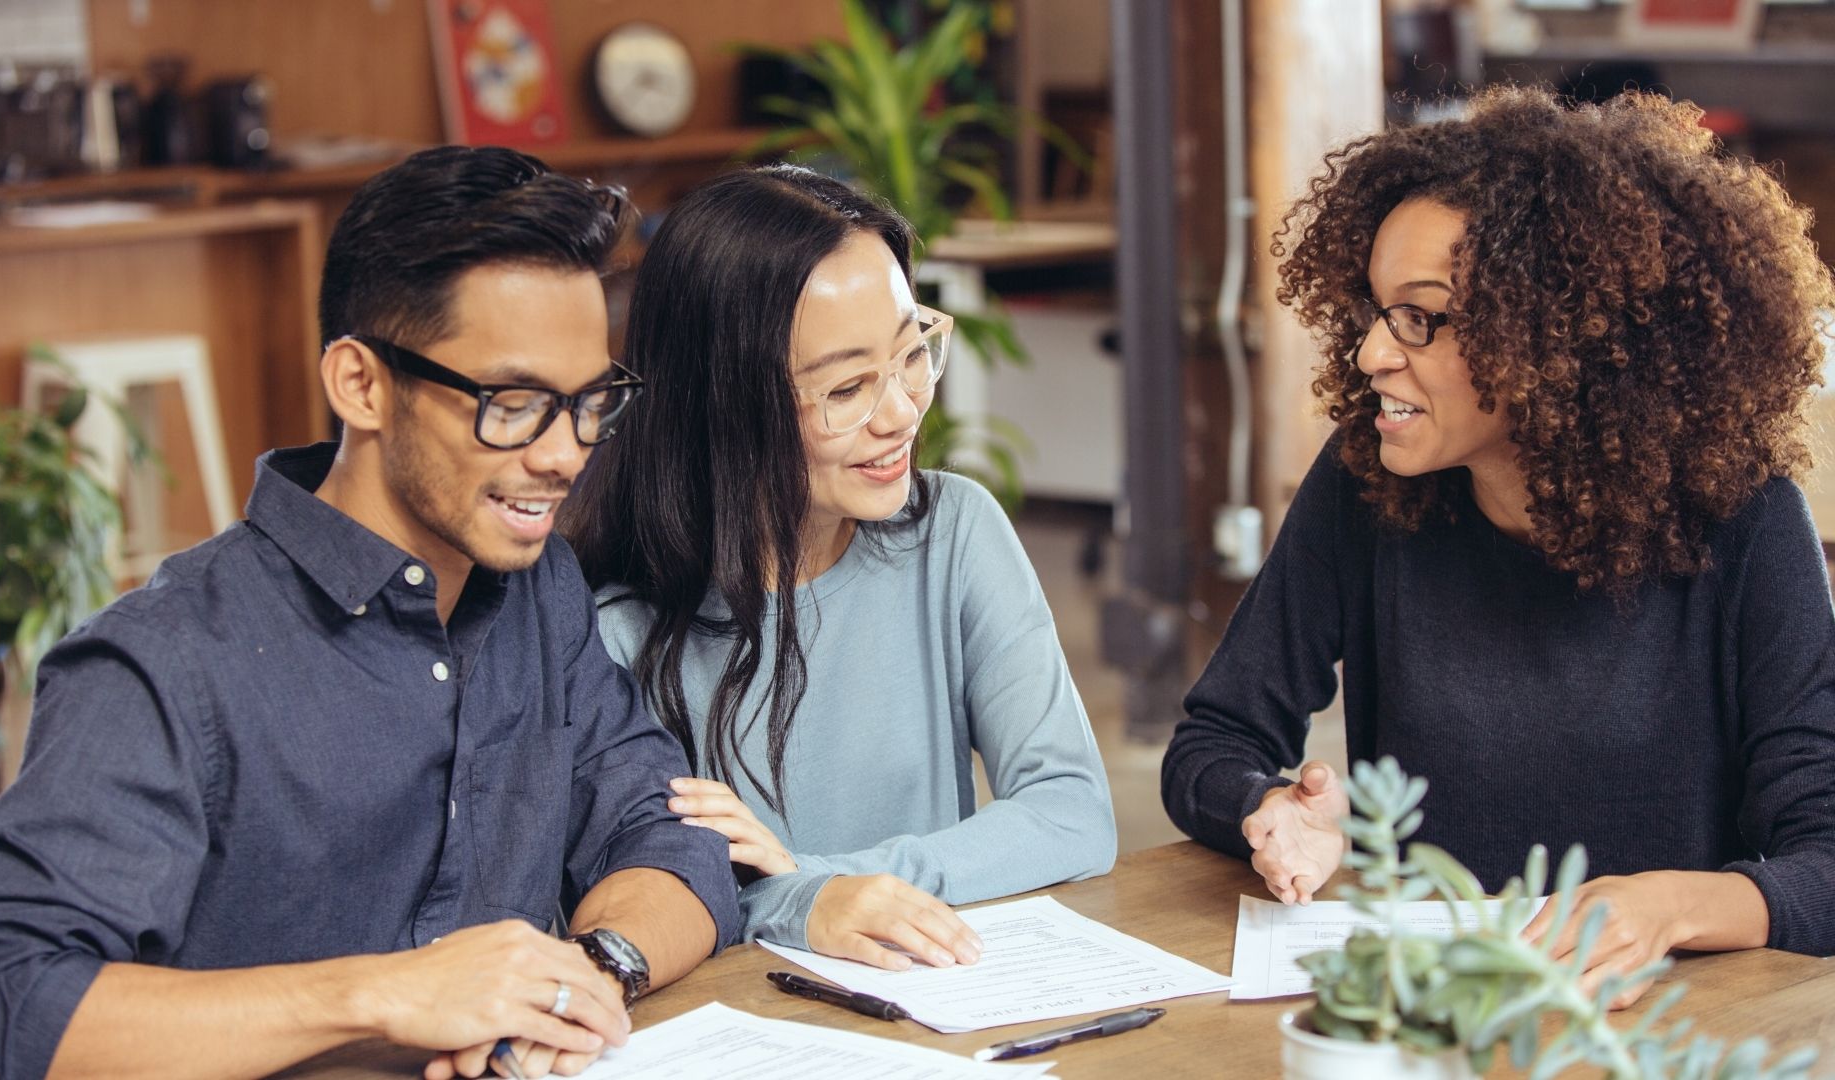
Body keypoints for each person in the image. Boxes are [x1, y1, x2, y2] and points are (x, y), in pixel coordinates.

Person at [0, 147, 743, 1080]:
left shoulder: (536, 588)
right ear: (361, 384)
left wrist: (585, 977)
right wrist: (385, 993)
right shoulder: (165, 662)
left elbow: (670, 838)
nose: (565, 454)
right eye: (513, 404)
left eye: (589, 402)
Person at [1161, 86, 1835, 1005]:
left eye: (1420, 318)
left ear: (1555, 339)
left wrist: (1675, 907)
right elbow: (1215, 740)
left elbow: (1827, 860)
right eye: (1374, 309)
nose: (1369, 355)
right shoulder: (1368, 482)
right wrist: (1269, 809)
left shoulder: (1745, 519)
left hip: (1656, 1030)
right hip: (1429, 1016)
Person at [561, 165, 1116, 971]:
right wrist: (798, 903)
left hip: (934, 1008)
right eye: (849, 387)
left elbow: (1072, 813)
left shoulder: (953, 534)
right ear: (723, 405)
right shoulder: (609, 625)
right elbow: (623, 907)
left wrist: (814, 884)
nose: (900, 412)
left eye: (911, 354)